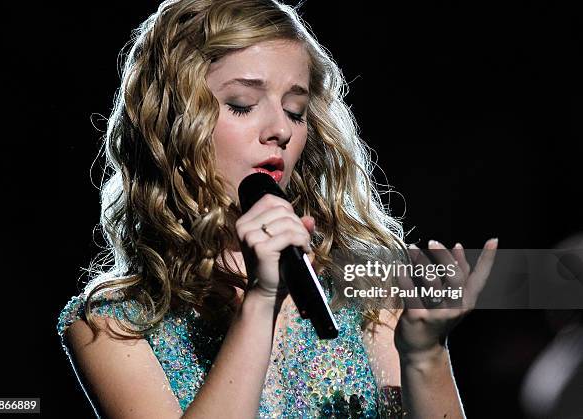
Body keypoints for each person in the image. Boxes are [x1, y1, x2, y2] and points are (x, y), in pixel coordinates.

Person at [56, 0, 498, 417]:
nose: (280, 129)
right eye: (242, 105)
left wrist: (426, 354)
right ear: (172, 122)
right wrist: (262, 298)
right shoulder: (110, 324)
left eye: (296, 110)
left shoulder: (363, 291)